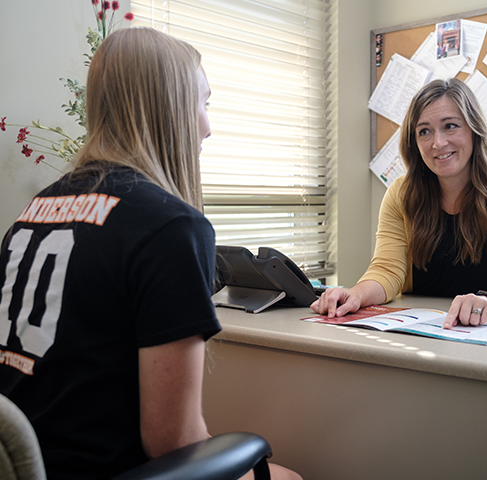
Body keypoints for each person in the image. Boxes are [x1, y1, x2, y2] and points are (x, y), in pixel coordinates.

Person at [0, 28, 300, 480]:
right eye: (203, 103)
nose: (207, 126)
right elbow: (172, 441)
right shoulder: (171, 225)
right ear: (171, 108)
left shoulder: (34, 210)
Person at [311, 78, 487, 329]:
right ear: (414, 142)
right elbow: (387, 271)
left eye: (450, 126)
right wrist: (356, 294)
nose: (438, 143)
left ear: (474, 129)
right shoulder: (400, 195)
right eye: (424, 131)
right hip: (418, 334)